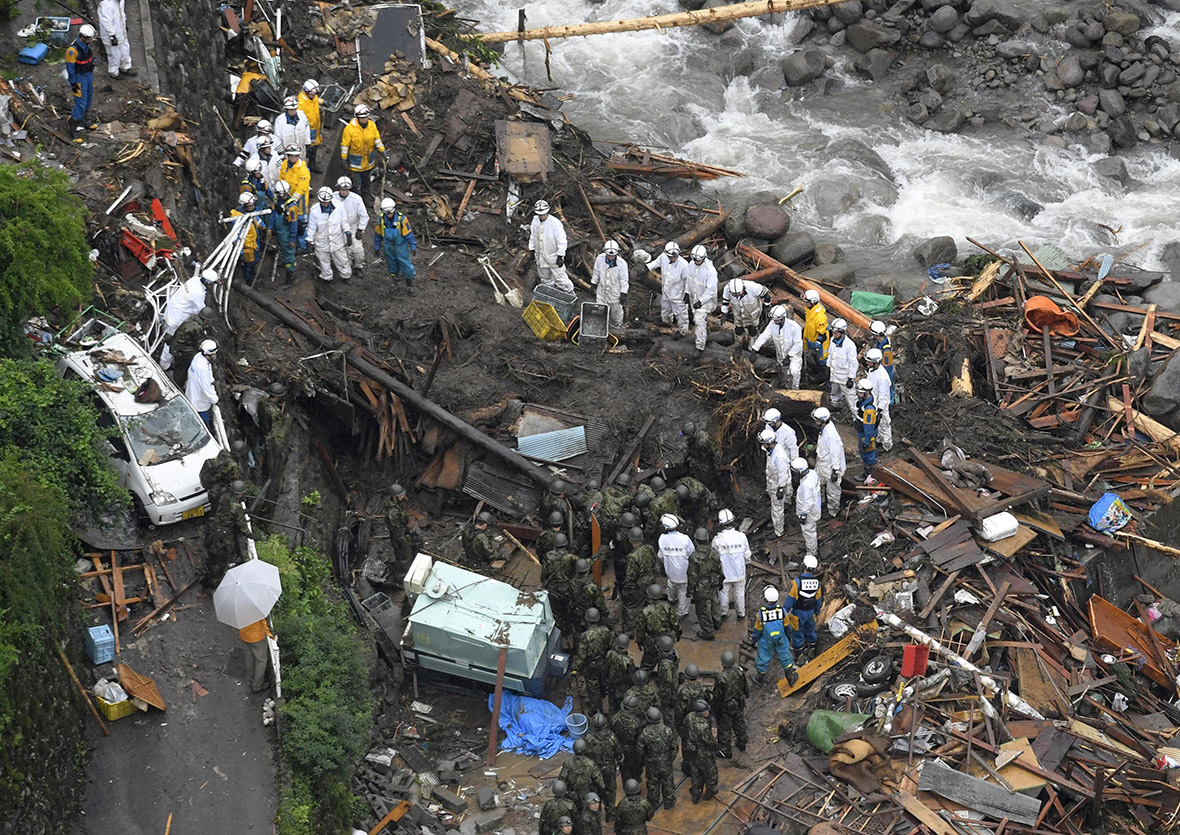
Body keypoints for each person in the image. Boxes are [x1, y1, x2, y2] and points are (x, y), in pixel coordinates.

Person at [160, 267, 217, 370]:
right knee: (171, 342)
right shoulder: (198, 294)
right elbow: (201, 311)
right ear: (208, 283)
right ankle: (164, 365)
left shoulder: (194, 280)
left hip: (172, 309)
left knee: (170, 339)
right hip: (176, 318)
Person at [204, 480, 253, 586]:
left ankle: (211, 571)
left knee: (214, 552)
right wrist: (251, 535)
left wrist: (242, 512)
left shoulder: (225, 496)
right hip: (224, 534)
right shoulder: (236, 507)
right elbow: (242, 526)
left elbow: (226, 512)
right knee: (222, 556)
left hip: (215, 527)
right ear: (239, 493)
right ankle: (214, 580)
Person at [751, 586, 798, 686]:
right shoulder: (782, 611)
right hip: (780, 638)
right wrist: (788, 638)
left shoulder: (761, 614)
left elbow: (757, 630)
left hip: (766, 640)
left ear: (765, 599)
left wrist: (753, 641)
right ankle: (790, 678)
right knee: (785, 656)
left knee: (763, 657)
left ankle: (759, 679)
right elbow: (787, 627)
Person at [752, 304, 804, 388]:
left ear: (783, 318)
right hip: (781, 355)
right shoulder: (772, 324)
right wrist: (754, 348)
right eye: (774, 320)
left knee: (794, 372)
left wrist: (789, 356)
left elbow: (798, 344)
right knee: (784, 375)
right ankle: (786, 388)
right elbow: (764, 336)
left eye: (777, 320)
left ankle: (795, 389)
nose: (775, 322)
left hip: (794, 356)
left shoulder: (794, 327)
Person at [308, 186, 353, 282]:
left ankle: (346, 275)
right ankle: (327, 277)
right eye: (323, 202)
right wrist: (309, 240)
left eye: (326, 202)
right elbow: (312, 227)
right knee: (323, 261)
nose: (325, 204)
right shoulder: (314, 211)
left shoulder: (339, 206)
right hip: (321, 240)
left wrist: (347, 233)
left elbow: (344, 221)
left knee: (342, 259)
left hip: (337, 239)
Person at [636, 707, 678, 809]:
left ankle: (653, 804)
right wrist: (669, 759)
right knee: (668, 783)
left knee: (652, 784)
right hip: (666, 763)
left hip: (651, 764)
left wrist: (643, 761)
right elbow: (675, 747)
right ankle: (669, 802)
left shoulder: (645, 733)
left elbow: (640, 750)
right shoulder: (668, 730)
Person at [339, 104, 385, 197]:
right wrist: (344, 159)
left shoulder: (372, 125)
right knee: (355, 184)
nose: (365, 120)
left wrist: (382, 150)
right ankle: (355, 199)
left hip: (368, 161)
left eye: (366, 117)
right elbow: (345, 145)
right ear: (357, 117)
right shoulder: (350, 129)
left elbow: (377, 139)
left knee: (366, 182)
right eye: (362, 118)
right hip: (356, 162)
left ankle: (366, 197)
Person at [648, 241, 692, 337]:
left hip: (678, 295)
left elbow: (688, 280)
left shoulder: (684, 265)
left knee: (681, 314)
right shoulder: (663, 257)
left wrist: (687, 293)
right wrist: (646, 268)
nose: (673, 258)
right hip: (666, 291)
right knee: (665, 308)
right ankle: (666, 322)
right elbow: (655, 263)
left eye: (675, 256)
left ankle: (683, 331)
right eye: (671, 257)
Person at [529, 201, 574, 293]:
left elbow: (561, 240)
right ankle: (550, 295)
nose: (541, 216)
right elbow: (533, 236)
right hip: (540, 256)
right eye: (539, 215)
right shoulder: (535, 221)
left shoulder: (555, 223)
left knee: (561, 279)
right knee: (545, 278)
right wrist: (532, 250)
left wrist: (560, 255)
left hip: (553, 256)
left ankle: (571, 295)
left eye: (543, 214)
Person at [713, 509, 750, 621]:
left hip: (724, 572)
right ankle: (741, 613)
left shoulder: (718, 539)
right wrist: (746, 563)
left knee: (724, 593)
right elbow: (747, 555)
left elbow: (714, 557)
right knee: (739, 593)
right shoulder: (741, 536)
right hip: (739, 571)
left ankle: (723, 613)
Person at [687, 527, 723, 640]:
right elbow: (719, 569)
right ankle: (717, 623)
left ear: (696, 540)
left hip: (701, 587)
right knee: (714, 603)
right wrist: (720, 581)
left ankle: (708, 632)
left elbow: (693, 575)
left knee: (703, 610)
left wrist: (690, 590)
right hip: (713, 582)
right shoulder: (714, 552)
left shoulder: (694, 557)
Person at [573, 608, 611, 714]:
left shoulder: (585, 636)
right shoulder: (605, 630)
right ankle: (604, 695)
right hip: (604, 662)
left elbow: (581, 655)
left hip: (592, 666)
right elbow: (611, 646)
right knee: (603, 681)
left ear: (587, 620)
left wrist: (575, 667)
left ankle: (596, 710)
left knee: (593, 689)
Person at [374, 198, 417, 293]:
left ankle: (409, 284)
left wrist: (413, 246)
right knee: (391, 265)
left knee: (406, 264)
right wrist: (377, 247)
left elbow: (408, 234)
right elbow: (378, 234)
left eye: (390, 213)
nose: (389, 215)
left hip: (400, 246)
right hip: (388, 247)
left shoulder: (402, 219)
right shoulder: (381, 219)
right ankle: (395, 283)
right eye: (387, 213)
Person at [584, 715, 622, 820]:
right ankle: (610, 814)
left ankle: (596, 814)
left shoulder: (588, 738)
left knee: (595, 790)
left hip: (594, 769)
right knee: (610, 790)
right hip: (609, 768)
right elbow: (618, 753)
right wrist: (619, 759)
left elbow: (585, 754)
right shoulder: (612, 737)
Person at [712, 650, 749, 758]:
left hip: (726, 707)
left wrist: (714, 709)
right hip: (739, 703)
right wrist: (746, 696)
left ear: (723, 663)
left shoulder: (721, 677)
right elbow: (745, 687)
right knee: (739, 723)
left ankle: (725, 751)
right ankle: (742, 743)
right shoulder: (740, 672)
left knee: (724, 728)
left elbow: (717, 695)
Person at [786, 554, 822, 661]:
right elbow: (818, 600)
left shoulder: (797, 582)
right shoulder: (817, 583)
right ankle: (812, 648)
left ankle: (799, 656)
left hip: (798, 613)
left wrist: (784, 611)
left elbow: (790, 599)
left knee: (797, 633)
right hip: (810, 613)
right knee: (810, 631)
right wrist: (816, 612)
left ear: (804, 566)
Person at [621, 527, 657, 635]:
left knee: (630, 608)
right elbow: (656, 564)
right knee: (648, 604)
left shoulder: (632, 556)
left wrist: (627, 590)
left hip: (639, 585)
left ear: (630, 540)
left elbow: (630, 576)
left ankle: (630, 631)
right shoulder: (649, 548)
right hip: (650, 581)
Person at [759, 426, 793, 541]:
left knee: (777, 509)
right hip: (773, 483)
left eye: (764, 443)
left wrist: (781, 489)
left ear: (769, 443)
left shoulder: (779, 456)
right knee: (778, 507)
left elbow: (783, 474)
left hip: (777, 485)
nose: (762, 445)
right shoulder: (771, 451)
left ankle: (779, 531)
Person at [65, 25, 98, 140]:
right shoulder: (72, 51)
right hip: (79, 79)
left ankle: (82, 119)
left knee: (88, 99)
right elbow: (70, 68)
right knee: (80, 103)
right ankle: (72, 125)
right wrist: (73, 83)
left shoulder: (86, 45)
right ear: (82, 37)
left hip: (88, 75)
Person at [657, 514, 693, 619]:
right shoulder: (685, 539)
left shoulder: (662, 539)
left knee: (671, 585)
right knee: (683, 592)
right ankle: (682, 612)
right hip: (685, 573)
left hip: (670, 573)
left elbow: (660, 556)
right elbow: (692, 553)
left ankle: (671, 599)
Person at [636, 584, 680, 671]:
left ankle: (642, 680)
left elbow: (640, 629)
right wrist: (678, 634)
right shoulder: (667, 607)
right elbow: (675, 623)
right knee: (665, 662)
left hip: (652, 640)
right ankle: (661, 679)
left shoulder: (645, 611)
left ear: (649, 596)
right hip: (667, 639)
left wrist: (639, 640)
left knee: (647, 664)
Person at [813, 407, 846, 519]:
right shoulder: (824, 429)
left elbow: (835, 453)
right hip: (822, 464)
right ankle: (821, 503)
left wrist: (835, 471)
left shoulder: (831, 434)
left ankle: (833, 511)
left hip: (831, 468)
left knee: (833, 492)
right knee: (816, 484)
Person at [682, 700, 718, 803]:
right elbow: (711, 741)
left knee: (696, 772)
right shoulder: (703, 726)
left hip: (692, 750)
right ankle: (711, 790)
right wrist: (716, 747)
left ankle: (696, 793)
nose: (708, 713)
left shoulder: (689, 717)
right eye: (705, 711)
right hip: (705, 753)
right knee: (711, 772)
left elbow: (684, 728)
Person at [170, 306, 215, 388]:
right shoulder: (197, 327)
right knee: (181, 370)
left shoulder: (193, 319)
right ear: (206, 320)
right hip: (181, 350)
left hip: (177, 346)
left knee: (179, 368)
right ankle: (177, 386)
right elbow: (200, 343)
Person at [684, 244, 718, 352]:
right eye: (694, 260)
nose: (695, 262)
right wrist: (686, 292)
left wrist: (701, 301)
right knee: (694, 317)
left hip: (705, 301)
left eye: (698, 260)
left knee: (698, 320)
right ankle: (704, 333)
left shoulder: (710, 271)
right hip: (694, 297)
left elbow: (711, 290)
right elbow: (688, 279)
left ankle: (700, 346)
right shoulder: (691, 265)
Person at [592, 239, 629, 334]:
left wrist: (623, 293)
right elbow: (596, 272)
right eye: (609, 255)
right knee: (600, 314)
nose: (611, 257)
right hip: (602, 293)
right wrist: (593, 284)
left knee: (616, 316)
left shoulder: (622, 264)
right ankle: (600, 331)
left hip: (615, 294)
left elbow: (624, 280)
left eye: (613, 255)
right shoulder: (600, 259)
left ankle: (616, 332)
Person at [334, 176, 370, 274]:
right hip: (338, 229)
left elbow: (364, 216)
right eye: (342, 190)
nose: (344, 192)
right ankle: (346, 268)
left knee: (358, 250)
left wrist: (360, 229)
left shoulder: (356, 199)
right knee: (342, 251)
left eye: (346, 190)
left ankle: (358, 266)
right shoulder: (333, 198)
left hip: (353, 227)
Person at [720, 278, 770, 348]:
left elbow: (766, 295)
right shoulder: (727, 288)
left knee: (753, 330)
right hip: (738, 312)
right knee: (738, 329)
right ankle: (738, 345)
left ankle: (753, 346)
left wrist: (767, 306)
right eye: (734, 295)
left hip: (753, 312)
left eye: (738, 294)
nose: (737, 296)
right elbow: (725, 301)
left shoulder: (754, 287)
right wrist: (724, 313)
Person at [673, 665, 711, 756]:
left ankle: (688, 765)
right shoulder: (703, 688)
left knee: (688, 744)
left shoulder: (684, 692)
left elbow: (679, 711)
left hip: (688, 722)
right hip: (702, 719)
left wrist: (678, 725)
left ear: (686, 676)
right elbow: (708, 702)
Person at [279, 146, 311, 250]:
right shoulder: (284, 165)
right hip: (287, 198)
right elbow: (281, 180)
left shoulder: (303, 170)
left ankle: (302, 246)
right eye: (292, 156)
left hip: (299, 202)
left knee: (301, 224)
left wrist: (291, 201)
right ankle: (292, 242)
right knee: (290, 221)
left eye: (296, 156)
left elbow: (301, 189)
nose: (294, 158)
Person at [560, 739, 606, 813]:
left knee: (576, 811)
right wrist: (601, 789)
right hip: (587, 792)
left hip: (573, 792)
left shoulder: (568, 763)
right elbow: (598, 779)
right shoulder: (590, 764)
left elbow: (562, 779)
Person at [230, 191, 264, 286]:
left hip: (254, 243)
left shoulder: (250, 213)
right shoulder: (238, 219)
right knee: (248, 265)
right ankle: (250, 282)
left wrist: (264, 227)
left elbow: (257, 220)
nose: (253, 207)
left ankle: (253, 272)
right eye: (251, 206)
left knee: (254, 261)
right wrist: (241, 252)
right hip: (247, 247)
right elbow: (237, 236)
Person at [827, 318, 859, 416]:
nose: (834, 334)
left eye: (836, 333)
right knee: (834, 393)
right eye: (833, 332)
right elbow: (830, 355)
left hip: (844, 377)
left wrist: (851, 378)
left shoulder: (849, 346)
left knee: (851, 399)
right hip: (834, 374)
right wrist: (827, 367)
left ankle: (857, 417)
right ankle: (836, 409)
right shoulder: (833, 341)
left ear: (842, 332)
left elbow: (853, 363)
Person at [611, 695, 647, 785]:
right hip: (632, 748)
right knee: (635, 767)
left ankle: (627, 786)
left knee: (624, 769)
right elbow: (639, 737)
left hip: (620, 747)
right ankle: (635, 784)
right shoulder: (636, 723)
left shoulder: (615, 718)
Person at [272, 180, 301, 286]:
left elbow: (294, 224)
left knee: (289, 256)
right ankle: (285, 260)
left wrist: (293, 239)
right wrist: (270, 228)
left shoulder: (292, 206)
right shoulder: (277, 201)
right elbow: (273, 214)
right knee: (283, 250)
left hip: (286, 233)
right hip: (279, 231)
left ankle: (290, 279)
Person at [864, 347, 893, 451]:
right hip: (874, 402)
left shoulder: (882, 377)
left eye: (869, 361)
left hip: (881, 405)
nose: (867, 363)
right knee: (878, 424)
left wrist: (880, 409)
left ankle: (887, 445)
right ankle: (880, 440)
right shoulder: (873, 370)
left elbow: (883, 396)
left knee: (884, 424)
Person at [568, 559, 608, 634]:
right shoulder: (592, 586)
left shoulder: (571, 583)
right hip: (591, 614)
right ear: (587, 570)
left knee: (578, 634)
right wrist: (605, 613)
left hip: (577, 613)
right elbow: (599, 603)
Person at [792, 457, 821, 558]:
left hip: (810, 511)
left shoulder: (806, 485)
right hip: (815, 507)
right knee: (810, 531)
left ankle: (812, 553)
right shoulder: (812, 473)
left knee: (809, 533)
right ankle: (812, 548)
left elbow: (808, 501)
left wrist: (803, 514)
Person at [97, 0, 135, 78]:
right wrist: (112, 36)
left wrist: (124, 24)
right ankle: (114, 72)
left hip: (121, 31)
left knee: (125, 49)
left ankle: (125, 67)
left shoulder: (120, 1)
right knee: (114, 54)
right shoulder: (106, 5)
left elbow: (121, 13)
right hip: (111, 35)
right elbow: (106, 22)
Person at [186, 339, 219, 424]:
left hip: (191, 396)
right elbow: (205, 388)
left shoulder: (198, 357)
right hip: (200, 404)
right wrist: (214, 399)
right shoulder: (203, 368)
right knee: (202, 423)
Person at [802, 289, 830, 385]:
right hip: (810, 340)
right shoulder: (810, 311)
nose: (805, 304)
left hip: (819, 345)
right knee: (816, 361)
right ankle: (819, 375)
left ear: (813, 302)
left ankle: (826, 380)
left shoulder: (819, 316)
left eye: (807, 302)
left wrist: (817, 346)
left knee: (822, 362)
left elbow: (822, 335)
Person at [605, 634, 637, 713]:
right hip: (623, 687)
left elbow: (606, 667)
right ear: (627, 646)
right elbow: (632, 676)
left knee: (612, 705)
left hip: (611, 683)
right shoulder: (628, 661)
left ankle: (611, 719)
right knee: (622, 705)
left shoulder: (610, 653)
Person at [681, 421, 721, 486]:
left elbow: (715, 453)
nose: (686, 439)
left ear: (693, 435)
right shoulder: (691, 439)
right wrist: (684, 458)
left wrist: (717, 468)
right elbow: (688, 448)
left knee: (707, 480)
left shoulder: (705, 440)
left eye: (687, 437)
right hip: (695, 460)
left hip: (705, 464)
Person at [239, 617, 271, 693]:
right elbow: (264, 622)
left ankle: (250, 681)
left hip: (244, 634)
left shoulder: (239, 606)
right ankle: (257, 686)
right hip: (257, 637)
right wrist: (271, 635)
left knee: (249, 657)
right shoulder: (256, 607)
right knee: (261, 661)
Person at [274, 96, 311, 162]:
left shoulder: (302, 115)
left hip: (301, 151)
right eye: (291, 110)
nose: (293, 112)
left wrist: (307, 143)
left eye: (294, 109)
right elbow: (277, 138)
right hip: (288, 154)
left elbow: (306, 129)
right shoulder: (279, 121)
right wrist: (280, 152)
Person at [297, 79, 323, 170]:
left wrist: (322, 101)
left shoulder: (313, 97)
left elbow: (316, 100)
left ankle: (312, 164)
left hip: (315, 128)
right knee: (308, 150)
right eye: (312, 94)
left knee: (314, 148)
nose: (314, 96)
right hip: (308, 130)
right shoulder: (301, 104)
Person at [854, 377, 879, 472]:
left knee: (868, 455)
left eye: (860, 393)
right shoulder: (868, 399)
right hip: (864, 432)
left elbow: (869, 427)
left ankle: (870, 474)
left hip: (866, 434)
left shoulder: (869, 410)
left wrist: (866, 442)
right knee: (871, 453)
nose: (858, 394)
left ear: (866, 393)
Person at [653, 634, 681, 713]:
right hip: (675, 677)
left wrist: (664, 691)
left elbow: (667, 680)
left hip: (668, 685)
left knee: (666, 702)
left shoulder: (666, 665)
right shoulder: (675, 652)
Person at [870, 319, 896, 399]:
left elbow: (887, 370)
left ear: (877, 335)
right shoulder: (880, 342)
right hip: (879, 370)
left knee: (886, 392)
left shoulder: (886, 352)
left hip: (884, 374)